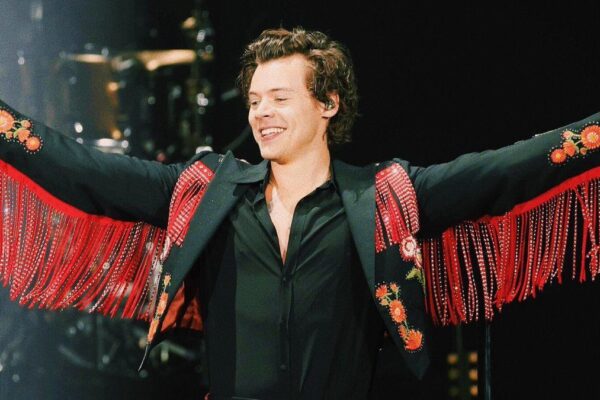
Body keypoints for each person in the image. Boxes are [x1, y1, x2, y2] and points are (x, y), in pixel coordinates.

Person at [0, 27, 599, 399]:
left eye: (279, 98)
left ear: (328, 104)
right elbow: (80, 167)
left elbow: (505, 169)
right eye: (255, 100)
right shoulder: (208, 194)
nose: (261, 113)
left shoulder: (383, 198)